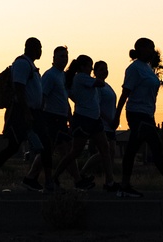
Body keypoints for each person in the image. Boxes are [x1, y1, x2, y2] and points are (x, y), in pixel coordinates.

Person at [0, 37, 44, 196]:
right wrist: (27, 113)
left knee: (42, 145)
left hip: (31, 112)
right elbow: (19, 88)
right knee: (14, 147)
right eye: (39, 47)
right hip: (20, 113)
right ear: (31, 48)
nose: (41, 50)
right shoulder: (22, 64)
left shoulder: (31, 66)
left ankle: (34, 179)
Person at [113, 38, 163, 198]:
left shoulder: (148, 68)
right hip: (137, 113)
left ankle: (124, 186)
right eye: (150, 48)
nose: (153, 51)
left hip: (147, 114)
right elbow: (125, 94)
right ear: (141, 48)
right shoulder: (134, 69)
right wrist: (116, 116)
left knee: (134, 148)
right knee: (155, 147)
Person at [23, 45, 88, 191]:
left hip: (60, 118)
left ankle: (31, 177)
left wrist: (69, 116)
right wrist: (40, 117)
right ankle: (76, 180)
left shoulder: (62, 76)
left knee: (56, 150)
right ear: (53, 58)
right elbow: (43, 96)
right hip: (51, 118)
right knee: (62, 150)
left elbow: (64, 99)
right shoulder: (50, 75)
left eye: (66, 56)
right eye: (61, 56)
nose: (64, 59)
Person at [51, 55, 114, 190]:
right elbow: (100, 83)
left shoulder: (81, 79)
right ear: (82, 67)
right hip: (84, 119)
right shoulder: (81, 78)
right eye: (90, 66)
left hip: (94, 119)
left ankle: (110, 181)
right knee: (75, 151)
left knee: (105, 149)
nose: (91, 69)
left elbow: (72, 94)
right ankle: (54, 177)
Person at [80, 60, 119, 190]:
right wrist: (108, 120)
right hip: (103, 124)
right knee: (106, 151)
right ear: (95, 72)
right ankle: (85, 171)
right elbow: (97, 107)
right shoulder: (97, 87)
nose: (104, 71)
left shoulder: (107, 86)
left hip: (111, 125)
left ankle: (109, 179)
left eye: (106, 69)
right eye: (101, 69)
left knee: (110, 152)